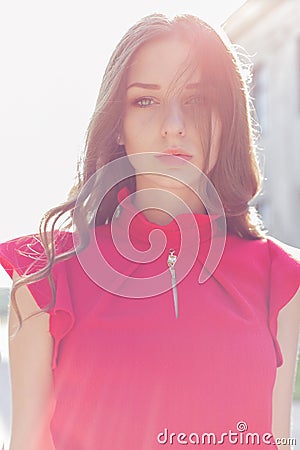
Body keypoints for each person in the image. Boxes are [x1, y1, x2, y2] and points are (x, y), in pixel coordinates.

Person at [0, 13, 299, 450]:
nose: (173, 124)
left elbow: (272, 440)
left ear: (226, 119)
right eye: (145, 100)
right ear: (117, 123)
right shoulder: (46, 277)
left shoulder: (281, 278)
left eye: (196, 100)